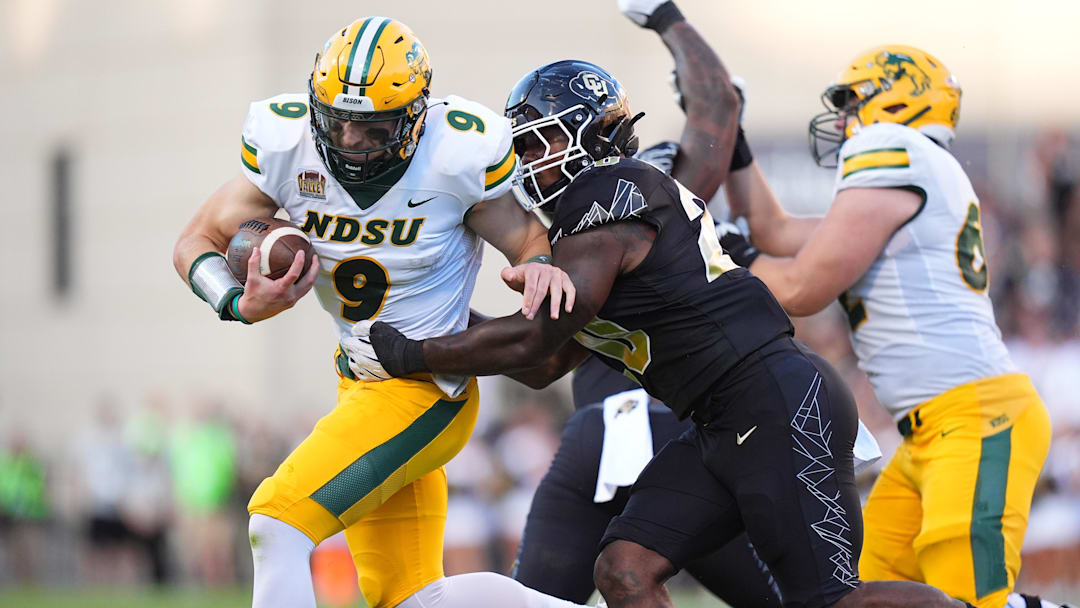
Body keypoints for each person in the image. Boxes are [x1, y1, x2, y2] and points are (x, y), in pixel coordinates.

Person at [345, 57, 973, 608]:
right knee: (624, 570)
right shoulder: (586, 224)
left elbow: (534, 338)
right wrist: (442, 322)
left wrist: (408, 350)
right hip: (718, 418)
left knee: (828, 600)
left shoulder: (609, 191)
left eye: (536, 146)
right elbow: (544, 363)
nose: (526, 165)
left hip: (773, 399)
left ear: (584, 136)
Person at [173, 16, 587, 608]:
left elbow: (525, 239)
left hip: (425, 390)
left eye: (370, 128)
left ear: (416, 115)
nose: (348, 139)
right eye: (336, 121)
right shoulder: (286, 142)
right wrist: (237, 300)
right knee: (412, 599)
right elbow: (194, 241)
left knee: (276, 521)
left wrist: (540, 261)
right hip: (358, 383)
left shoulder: (456, 153)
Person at [716, 46, 1053, 608]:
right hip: (929, 431)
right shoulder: (913, 174)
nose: (844, 121)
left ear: (899, 101)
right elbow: (772, 230)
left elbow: (801, 288)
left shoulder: (895, 148)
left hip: (977, 416)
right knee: (857, 596)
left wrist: (720, 257)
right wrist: (735, 142)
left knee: (964, 602)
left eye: (853, 103)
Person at [507, 1, 782, 605]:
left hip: (599, 429)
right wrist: (666, 18)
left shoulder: (575, 224)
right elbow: (718, 104)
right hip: (674, 430)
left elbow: (537, 362)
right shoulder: (652, 211)